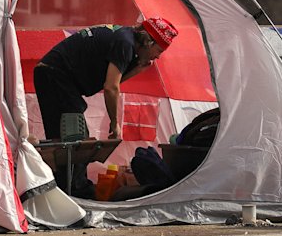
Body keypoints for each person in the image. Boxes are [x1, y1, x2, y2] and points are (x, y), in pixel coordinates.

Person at [33, 17, 178, 142]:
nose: (158, 57)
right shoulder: (125, 44)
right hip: (54, 73)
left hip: (55, 74)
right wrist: (114, 122)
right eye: (159, 51)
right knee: (72, 135)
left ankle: (68, 173)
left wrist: (137, 69)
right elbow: (111, 88)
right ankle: (68, 174)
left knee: (69, 134)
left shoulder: (125, 38)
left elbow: (110, 82)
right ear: (148, 42)